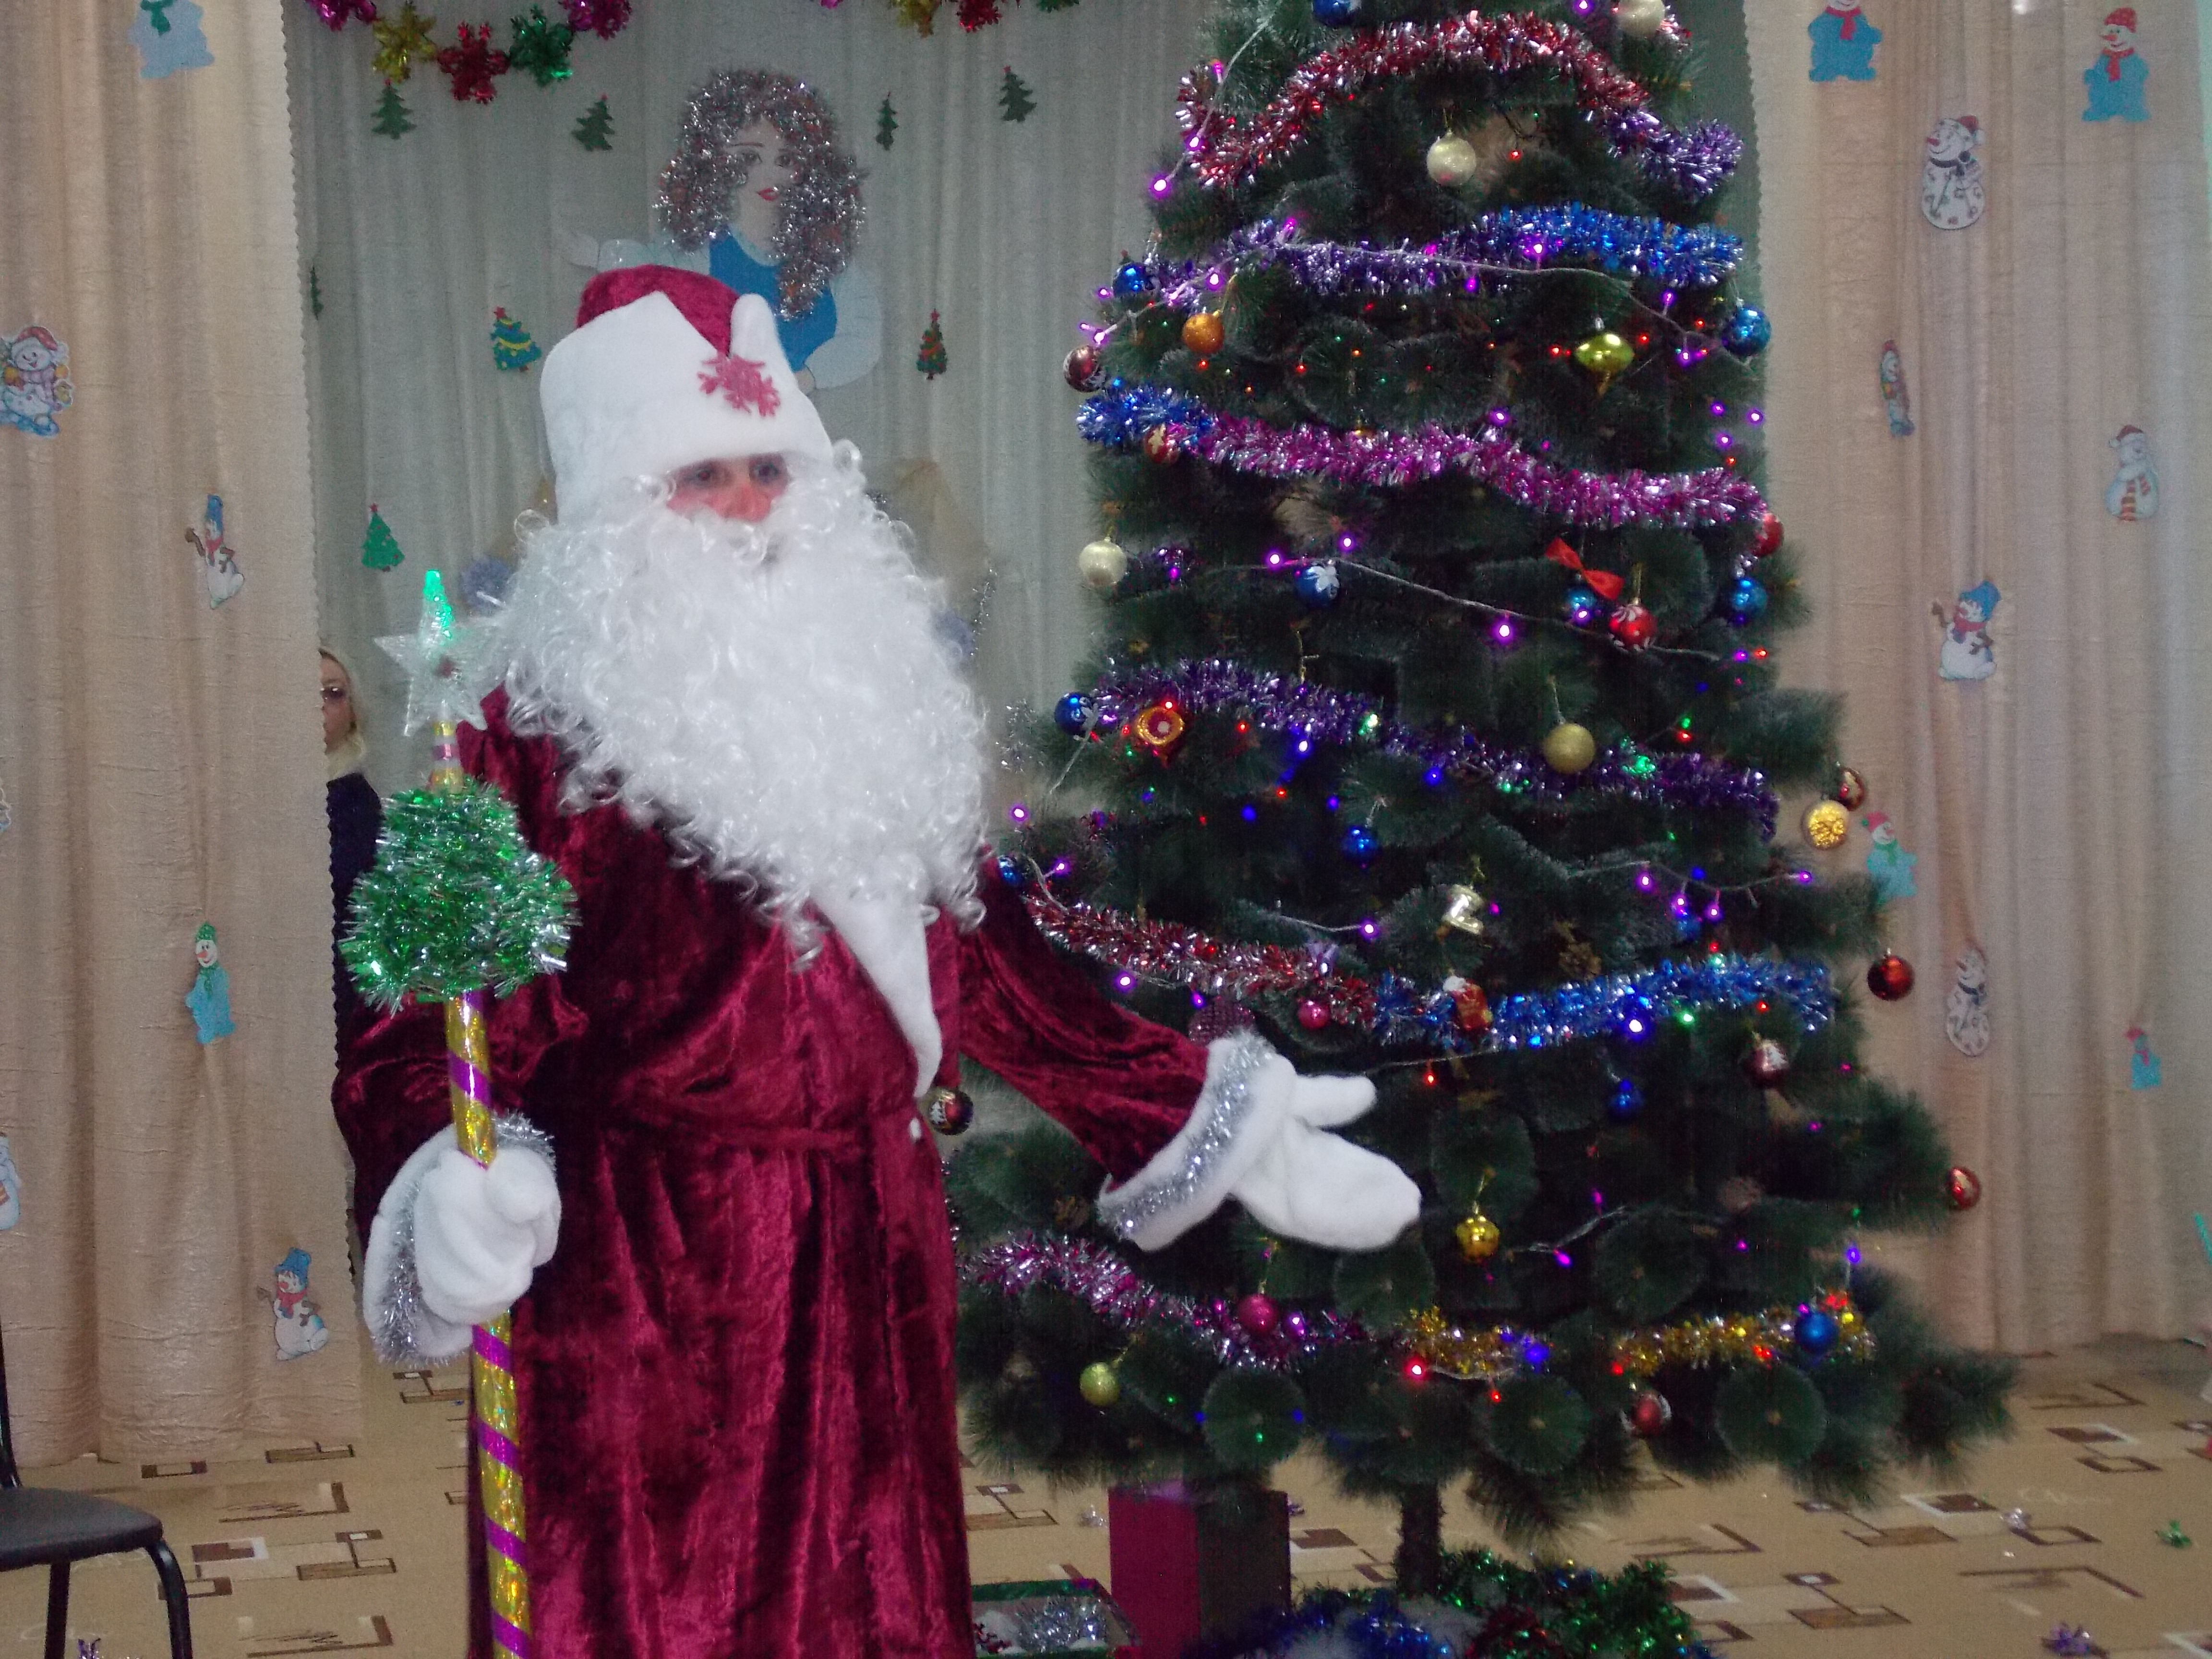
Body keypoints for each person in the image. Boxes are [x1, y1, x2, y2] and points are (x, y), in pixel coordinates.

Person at [332, 265, 1419, 1659]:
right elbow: (433, 1007)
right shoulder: (526, 730)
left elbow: (995, 968)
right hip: (650, 1265)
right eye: (700, 476)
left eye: (768, 467)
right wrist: (445, 1167)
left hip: (871, 1241)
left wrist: (1211, 1115)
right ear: (614, 511)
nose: (748, 506)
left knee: (875, 1603)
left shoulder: (873, 699)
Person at [585, 70, 883, 393]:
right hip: (710, 413)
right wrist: (601, 255)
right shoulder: (700, 249)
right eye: (750, 157)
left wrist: (806, 378)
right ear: (713, 160)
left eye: (786, 160)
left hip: (798, 417)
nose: (769, 175)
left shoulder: (825, 258)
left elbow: (863, 333)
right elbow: (654, 276)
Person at [323, 648, 382, 1017]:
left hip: (338, 991)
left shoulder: (354, 799)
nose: (319, 705)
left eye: (333, 693)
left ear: (353, 713)